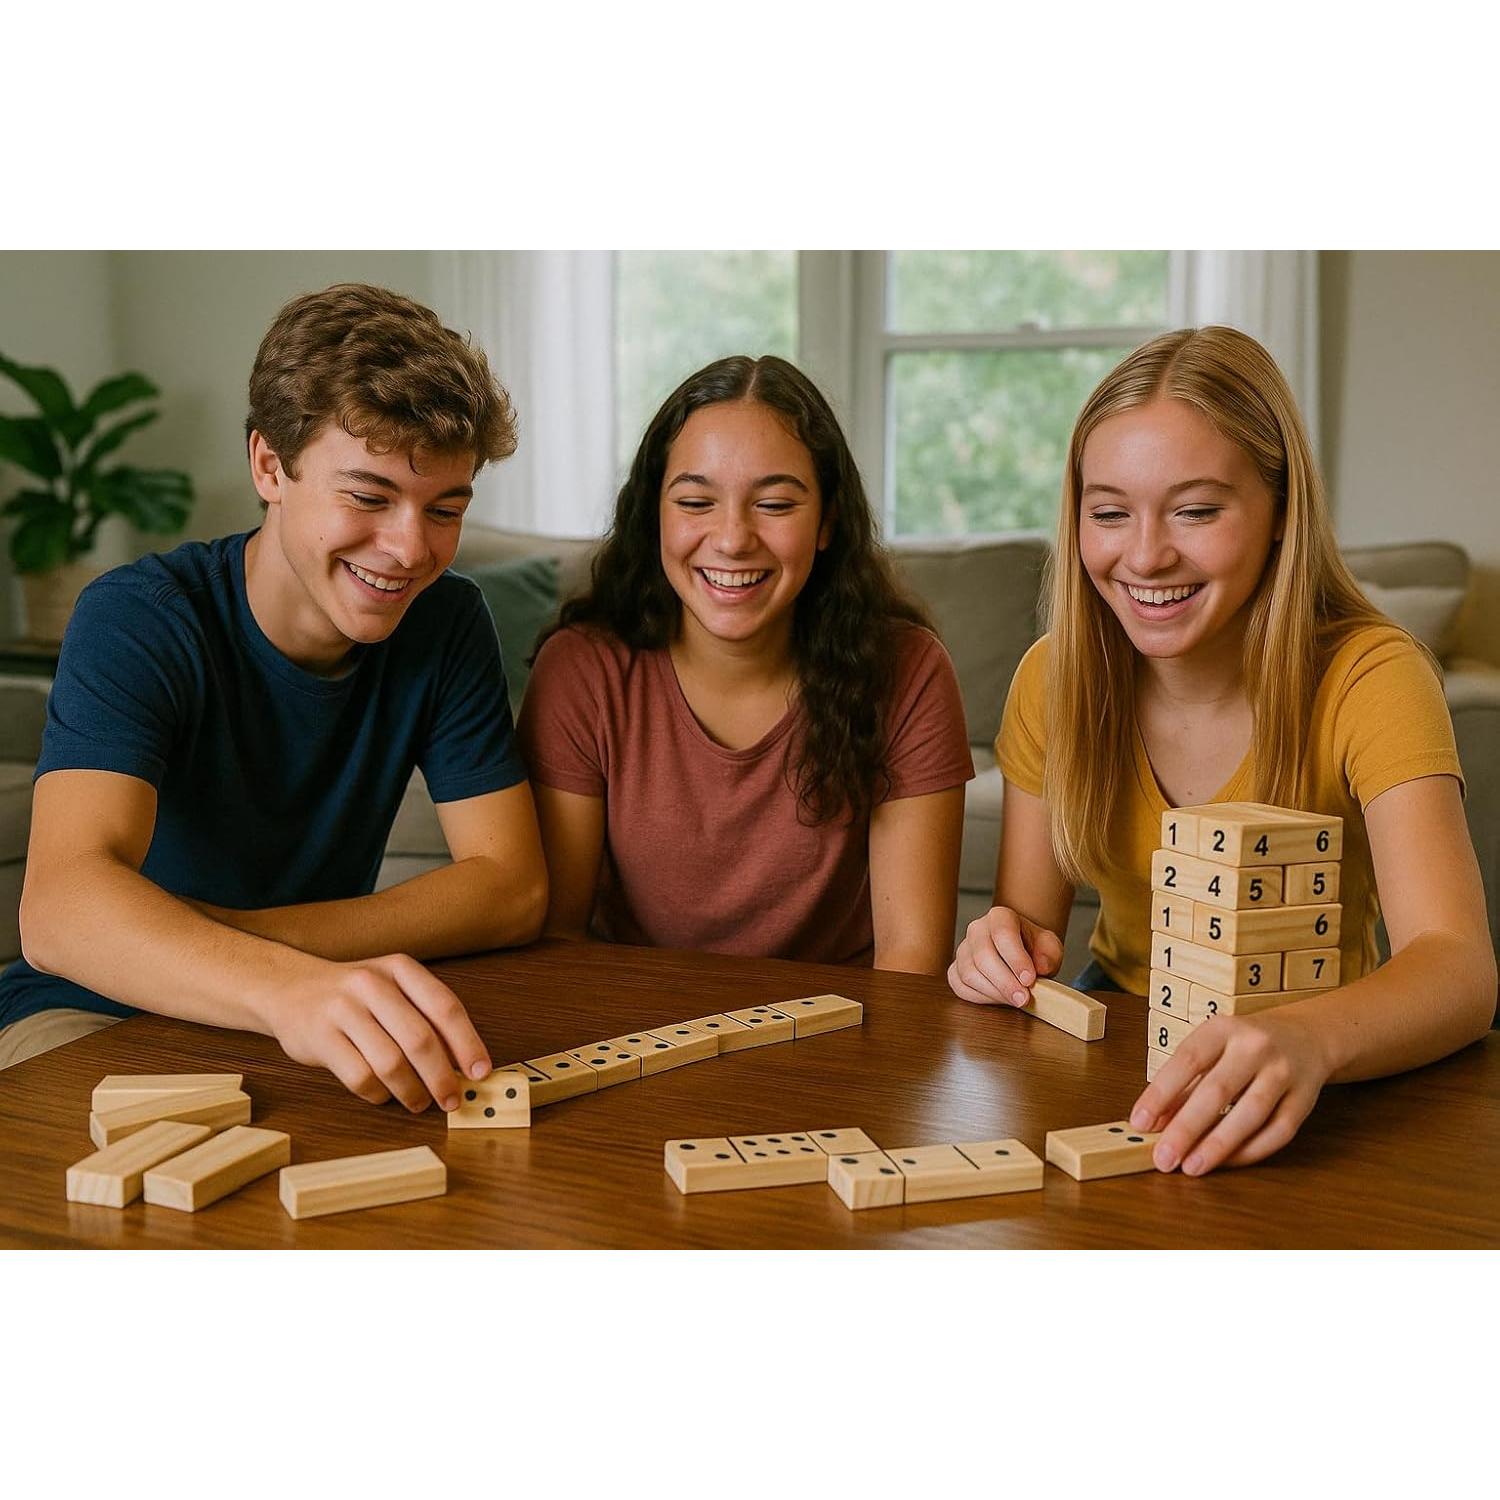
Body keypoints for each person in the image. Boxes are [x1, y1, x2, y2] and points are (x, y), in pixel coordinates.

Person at [949, 325, 1495, 1174]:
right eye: (1109, 513)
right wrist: (998, 951)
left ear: (1280, 513)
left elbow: (1459, 968)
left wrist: (1303, 1039)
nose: (1145, 554)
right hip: (1124, 1029)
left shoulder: (1373, 676)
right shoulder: (1054, 678)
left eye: (1197, 510)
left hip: (1325, 1047)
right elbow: (1029, 930)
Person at [0, 283, 549, 1109]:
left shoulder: (446, 623)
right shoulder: (140, 618)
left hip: (313, 1014)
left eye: (444, 508)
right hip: (91, 1013)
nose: (408, 549)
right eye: (367, 496)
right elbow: (61, 911)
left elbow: (511, 886)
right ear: (269, 465)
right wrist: (288, 984)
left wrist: (272, 959)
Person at [517, 354, 972, 974]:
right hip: (637, 1032)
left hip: (843, 1036)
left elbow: (911, 960)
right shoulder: (582, 670)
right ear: (655, 515)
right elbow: (558, 942)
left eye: (776, 505)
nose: (732, 539)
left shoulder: (908, 669)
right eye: (696, 502)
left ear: (827, 522)